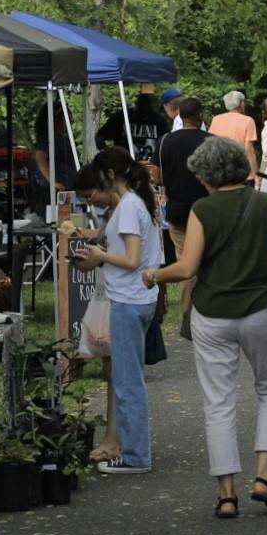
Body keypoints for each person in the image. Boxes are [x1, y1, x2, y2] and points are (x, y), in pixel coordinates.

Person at [143, 138, 267, 519]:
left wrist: (155, 274)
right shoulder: (264, 204)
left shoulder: (202, 210)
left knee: (219, 401)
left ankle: (227, 495)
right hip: (261, 309)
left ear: (206, 176)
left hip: (212, 313)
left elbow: (188, 267)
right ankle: (264, 477)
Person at [74, 149, 163, 474]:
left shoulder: (127, 207)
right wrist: (99, 257)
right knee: (126, 379)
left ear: (109, 176)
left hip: (129, 300)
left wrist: (100, 256)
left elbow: (131, 260)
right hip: (135, 298)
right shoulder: (133, 203)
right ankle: (129, 448)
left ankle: (136, 456)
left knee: (127, 382)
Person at [154, 99, 210, 322]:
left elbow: (156, 177)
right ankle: (208, 309)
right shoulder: (211, 141)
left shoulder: (165, 141)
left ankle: (188, 315)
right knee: (208, 261)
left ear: (179, 115)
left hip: (177, 211)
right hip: (207, 212)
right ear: (200, 115)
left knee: (186, 263)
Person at [95, 91, 168, 166]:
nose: (145, 115)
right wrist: (109, 153)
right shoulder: (121, 118)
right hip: (123, 166)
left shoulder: (160, 121)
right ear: (136, 106)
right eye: (142, 110)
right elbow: (99, 137)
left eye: (148, 111)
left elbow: (167, 144)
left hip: (150, 166)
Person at [209, 91, 260, 182]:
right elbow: (249, 150)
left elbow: (211, 145)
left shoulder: (216, 120)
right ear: (241, 103)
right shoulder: (248, 121)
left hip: (222, 172)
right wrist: (256, 175)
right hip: (243, 173)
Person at [32, 98, 79, 195]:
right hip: (53, 192)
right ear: (57, 119)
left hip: (64, 190)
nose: (70, 122)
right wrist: (53, 182)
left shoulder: (60, 138)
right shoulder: (51, 138)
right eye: (67, 118)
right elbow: (40, 157)